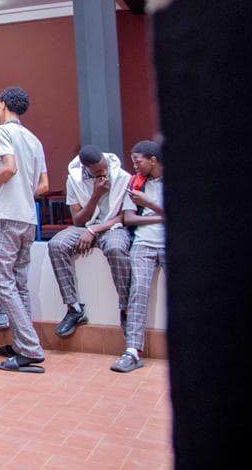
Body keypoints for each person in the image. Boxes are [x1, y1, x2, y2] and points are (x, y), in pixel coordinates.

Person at [0, 87, 49, 373]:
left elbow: (9, 168)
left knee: (2, 281)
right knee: (18, 282)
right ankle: (21, 344)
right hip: (29, 218)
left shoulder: (2, 131)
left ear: (2, 104)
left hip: (7, 216)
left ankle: (29, 348)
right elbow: (42, 186)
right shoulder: (34, 139)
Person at [47, 145, 134, 337]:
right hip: (83, 227)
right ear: (86, 169)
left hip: (113, 227)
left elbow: (123, 217)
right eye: (98, 171)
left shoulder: (123, 177)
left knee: (116, 248)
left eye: (104, 167)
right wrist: (96, 195)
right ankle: (74, 308)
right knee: (56, 245)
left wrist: (94, 230)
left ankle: (126, 310)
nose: (104, 172)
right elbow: (78, 220)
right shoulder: (74, 180)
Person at [112, 141, 165, 373]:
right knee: (137, 292)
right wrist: (160, 217)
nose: (134, 166)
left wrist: (149, 204)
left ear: (152, 160)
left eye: (138, 161)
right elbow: (129, 219)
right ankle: (132, 351)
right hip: (143, 243)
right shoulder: (135, 183)